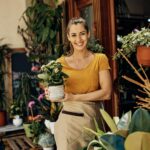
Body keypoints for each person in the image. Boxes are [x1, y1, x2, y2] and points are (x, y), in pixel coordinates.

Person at [46, 17, 112, 150]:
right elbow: (56, 91)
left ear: (88, 34)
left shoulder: (100, 59)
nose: (79, 39)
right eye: (74, 35)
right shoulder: (60, 63)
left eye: (82, 34)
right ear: (68, 37)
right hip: (68, 124)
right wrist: (50, 93)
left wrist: (74, 97)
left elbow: (106, 93)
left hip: (93, 121)